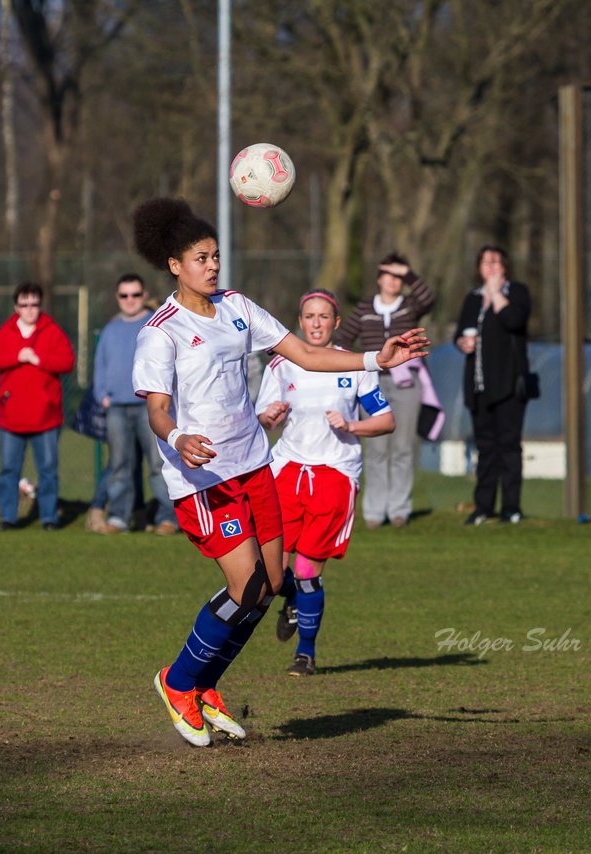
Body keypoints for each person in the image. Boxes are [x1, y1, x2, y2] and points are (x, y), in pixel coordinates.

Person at [131, 197, 427, 747]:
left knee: (267, 588)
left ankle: (206, 686)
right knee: (244, 587)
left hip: (254, 466)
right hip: (203, 478)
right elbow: (156, 408)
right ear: (174, 264)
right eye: (201, 257)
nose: (213, 265)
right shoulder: (161, 331)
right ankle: (177, 682)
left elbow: (307, 356)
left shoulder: (238, 307)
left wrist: (375, 361)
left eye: (216, 255)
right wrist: (177, 437)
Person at [257, 290, 396, 677]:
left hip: (335, 473)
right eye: (309, 316)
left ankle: (306, 654)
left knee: (306, 571)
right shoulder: (281, 365)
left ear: (336, 323)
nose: (316, 323)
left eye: (324, 317)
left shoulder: (354, 366)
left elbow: (386, 421)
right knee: (271, 572)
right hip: (286, 471)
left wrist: (351, 425)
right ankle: (293, 602)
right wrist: (270, 415)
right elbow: (262, 418)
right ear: (299, 322)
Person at [335, 253, 434, 528]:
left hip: (407, 384)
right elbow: (343, 339)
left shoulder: (410, 306)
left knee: (402, 447)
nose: (394, 281)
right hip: (372, 383)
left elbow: (429, 298)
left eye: (399, 276)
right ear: (379, 278)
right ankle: (375, 512)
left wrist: (409, 273)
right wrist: (356, 365)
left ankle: (400, 509)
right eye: (389, 275)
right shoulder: (365, 307)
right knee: (376, 447)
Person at [0, 281, 76, 531]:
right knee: (9, 470)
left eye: (34, 304)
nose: (29, 309)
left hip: (46, 417)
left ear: (40, 305)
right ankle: (8, 518)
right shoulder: (7, 332)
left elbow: (67, 361)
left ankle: (48, 518)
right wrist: (16, 356)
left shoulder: (51, 331)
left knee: (47, 470)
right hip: (11, 417)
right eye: (24, 305)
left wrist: (39, 359)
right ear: (16, 307)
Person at [89, 273, 177, 536]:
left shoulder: (156, 325)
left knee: (158, 464)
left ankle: (168, 518)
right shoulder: (111, 329)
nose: (130, 300)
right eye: (124, 295)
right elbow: (100, 366)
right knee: (119, 465)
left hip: (149, 408)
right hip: (116, 407)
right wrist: (102, 394)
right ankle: (119, 518)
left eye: (135, 295)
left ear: (144, 295)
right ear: (117, 298)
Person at [455, 244, 532, 525]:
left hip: (509, 385)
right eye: (486, 263)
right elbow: (459, 333)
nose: (491, 267)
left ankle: (511, 507)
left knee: (509, 447)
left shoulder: (517, 293)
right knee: (485, 448)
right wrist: (463, 343)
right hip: (479, 385)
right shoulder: (472, 299)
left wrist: (496, 293)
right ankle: (483, 506)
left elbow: (514, 320)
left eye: (496, 262)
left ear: (505, 267)